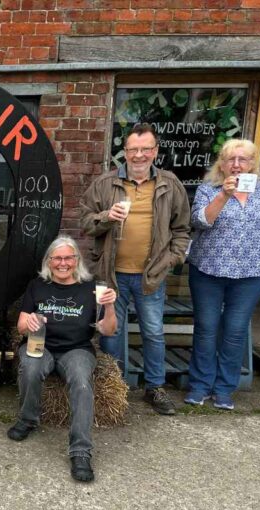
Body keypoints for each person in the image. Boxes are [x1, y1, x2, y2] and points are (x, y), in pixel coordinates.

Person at [79, 122, 190, 416]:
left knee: (153, 332)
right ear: (124, 152)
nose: (138, 155)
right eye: (133, 149)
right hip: (112, 274)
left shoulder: (170, 184)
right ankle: (112, 389)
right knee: (110, 333)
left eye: (145, 149)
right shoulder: (105, 184)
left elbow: (181, 228)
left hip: (150, 275)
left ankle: (155, 387)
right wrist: (106, 216)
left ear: (154, 152)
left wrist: (172, 259)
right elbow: (85, 222)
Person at [7, 235, 117, 483]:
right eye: (57, 258)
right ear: (49, 261)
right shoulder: (38, 286)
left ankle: (80, 452)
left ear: (77, 260)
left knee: (80, 381)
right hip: (40, 344)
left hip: (77, 349)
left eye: (69, 257)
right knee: (31, 367)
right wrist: (30, 321)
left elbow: (108, 330)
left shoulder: (92, 288)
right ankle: (28, 419)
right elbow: (22, 324)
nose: (63, 263)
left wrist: (110, 308)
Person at [185, 139, 260, 410]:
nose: (236, 164)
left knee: (235, 331)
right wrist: (223, 195)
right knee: (207, 329)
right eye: (230, 159)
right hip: (208, 271)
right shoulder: (208, 190)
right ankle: (199, 386)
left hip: (251, 273)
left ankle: (224, 389)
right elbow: (199, 221)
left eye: (242, 159)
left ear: (252, 164)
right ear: (221, 164)